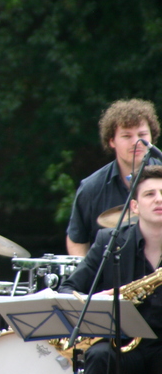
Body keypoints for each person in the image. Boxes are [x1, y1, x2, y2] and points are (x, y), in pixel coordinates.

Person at [59, 164, 162, 374]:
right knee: (98, 356)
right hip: (121, 346)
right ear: (134, 206)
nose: (158, 199)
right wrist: (95, 301)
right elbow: (67, 289)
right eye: (149, 194)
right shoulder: (110, 241)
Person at [66, 98, 161, 256]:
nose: (136, 142)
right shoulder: (91, 187)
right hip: (112, 278)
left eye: (142, 134)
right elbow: (77, 239)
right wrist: (85, 275)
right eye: (126, 136)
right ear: (112, 141)